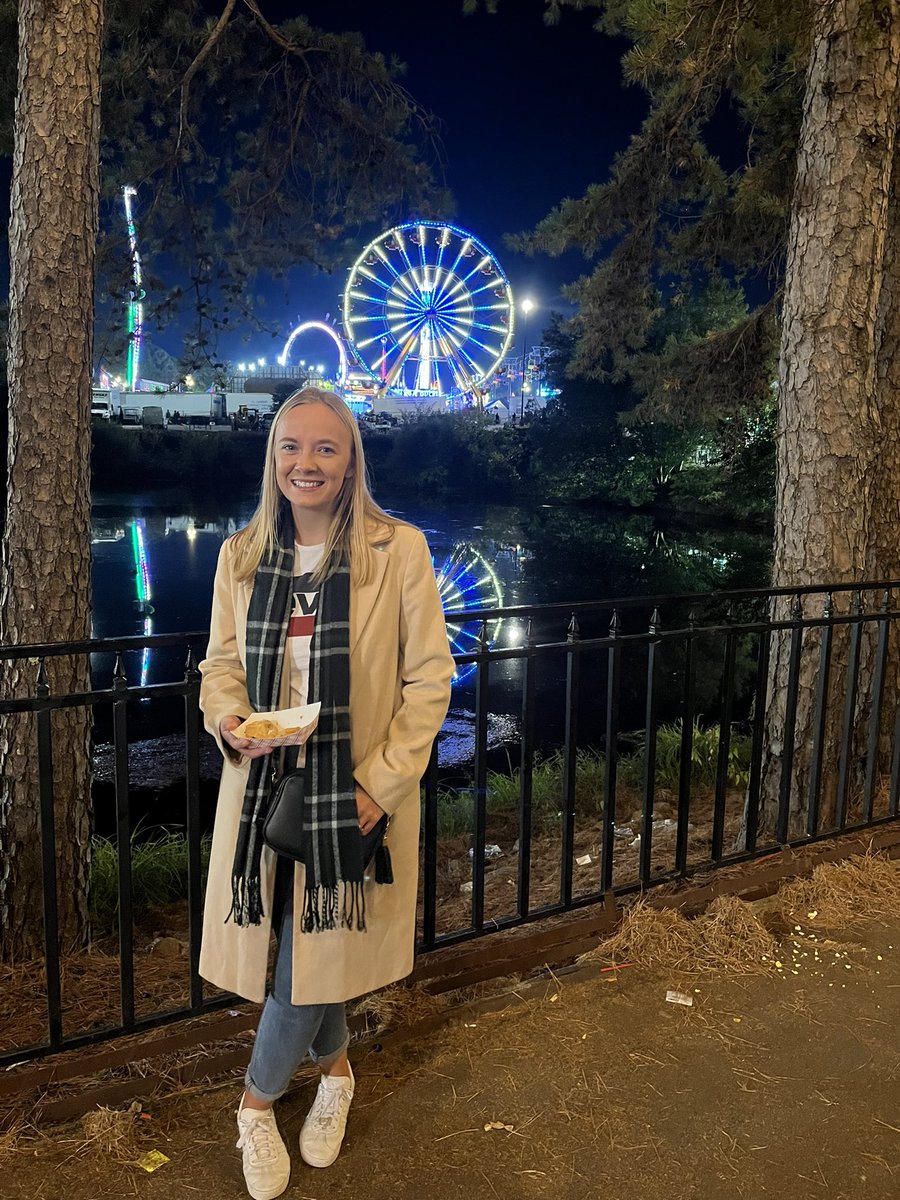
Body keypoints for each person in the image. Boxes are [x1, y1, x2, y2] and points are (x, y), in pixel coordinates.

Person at [199, 387, 454, 1200]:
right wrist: (229, 719)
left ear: (350, 465)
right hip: (263, 789)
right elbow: (220, 666)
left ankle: (254, 1102)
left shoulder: (396, 550)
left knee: (309, 959)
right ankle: (337, 1072)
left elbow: (431, 679)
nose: (304, 464)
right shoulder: (241, 554)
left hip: (351, 789)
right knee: (307, 945)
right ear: (272, 460)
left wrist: (381, 786)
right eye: (290, 448)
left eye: (325, 449)